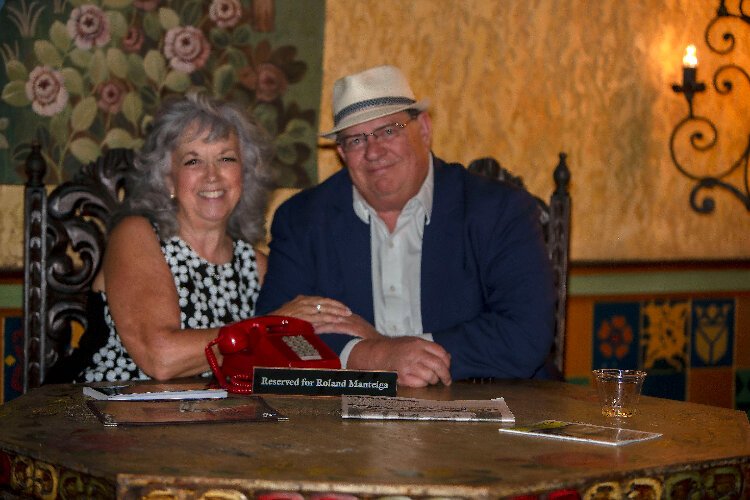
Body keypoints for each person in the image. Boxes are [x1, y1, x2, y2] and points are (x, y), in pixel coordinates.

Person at [255, 65, 556, 387]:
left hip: (490, 410)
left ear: (424, 130)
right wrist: (374, 356)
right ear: (342, 153)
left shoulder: (499, 210)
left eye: (389, 130)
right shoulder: (303, 220)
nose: (374, 151)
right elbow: (274, 335)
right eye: (356, 140)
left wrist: (400, 350)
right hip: (349, 426)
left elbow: (525, 336)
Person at [66, 92, 349, 383]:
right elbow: (161, 358)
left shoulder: (256, 266)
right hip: (108, 413)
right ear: (167, 179)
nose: (212, 176)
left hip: (209, 420)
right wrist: (270, 324)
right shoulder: (136, 234)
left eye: (226, 158)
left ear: (245, 175)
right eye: (193, 161)